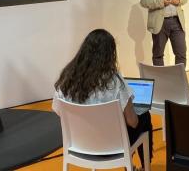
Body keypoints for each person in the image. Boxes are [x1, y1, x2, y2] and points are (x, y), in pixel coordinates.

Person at [54, 29, 153, 169]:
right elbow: (132, 122)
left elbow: (59, 111)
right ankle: (142, 167)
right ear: (109, 55)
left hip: (79, 145)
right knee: (144, 117)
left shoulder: (66, 79)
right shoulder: (115, 82)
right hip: (112, 146)